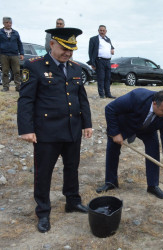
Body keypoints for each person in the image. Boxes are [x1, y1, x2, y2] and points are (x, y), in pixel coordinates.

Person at [17, 28, 92, 233]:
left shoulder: (76, 68)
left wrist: (87, 123)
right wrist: (26, 129)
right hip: (47, 131)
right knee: (43, 174)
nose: (68, 54)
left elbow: (81, 98)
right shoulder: (35, 67)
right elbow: (26, 99)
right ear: (52, 44)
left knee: (72, 167)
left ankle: (72, 201)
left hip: (72, 129)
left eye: (71, 50)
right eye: (64, 49)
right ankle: (43, 211)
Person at [96, 88, 163, 200]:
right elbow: (110, 109)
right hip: (126, 124)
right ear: (154, 103)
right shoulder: (137, 97)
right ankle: (111, 182)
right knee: (113, 149)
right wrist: (115, 133)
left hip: (148, 129)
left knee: (154, 148)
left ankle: (153, 185)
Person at [88, 25, 115, 99]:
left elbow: (111, 47)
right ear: (98, 31)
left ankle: (108, 94)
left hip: (108, 61)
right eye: (101, 30)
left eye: (103, 30)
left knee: (108, 78)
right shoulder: (94, 39)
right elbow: (90, 52)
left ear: (106, 31)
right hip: (99, 61)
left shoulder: (108, 39)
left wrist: (112, 50)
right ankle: (101, 94)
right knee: (101, 78)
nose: (102, 32)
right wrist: (92, 63)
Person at [0, 17, 24, 92]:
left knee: (16, 71)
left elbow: (20, 44)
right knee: (5, 71)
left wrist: (21, 53)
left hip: (14, 54)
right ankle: (5, 87)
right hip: (3, 54)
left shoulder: (15, 33)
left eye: (10, 23)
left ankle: (18, 86)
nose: (8, 24)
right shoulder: (0, 32)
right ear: (3, 23)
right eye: (7, 22)